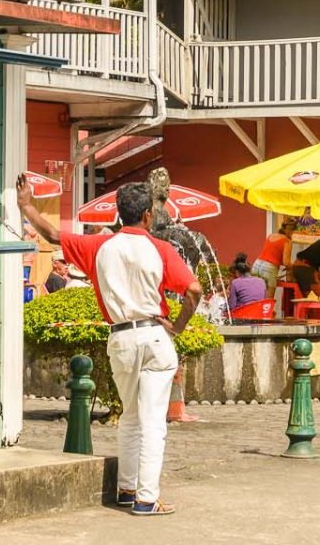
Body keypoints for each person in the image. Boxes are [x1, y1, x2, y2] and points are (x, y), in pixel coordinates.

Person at [18, 177, 201, 516]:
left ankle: (127, 490)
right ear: (147, 216)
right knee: (153, 422)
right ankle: (147, 498)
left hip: (120, 337)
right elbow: (194, 290)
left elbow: (55, 236)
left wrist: (28, 206)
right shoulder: (161, 249)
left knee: (130, 417)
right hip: (153, 334)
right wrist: (178, 325)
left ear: (118, 214)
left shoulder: (99, 246)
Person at [256, 218, 296, 293]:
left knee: (257, 297)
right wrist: (293, 267)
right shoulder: (287, 241)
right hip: (269, 269)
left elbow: (272, 254)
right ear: (292, 231)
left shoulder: (271, 235)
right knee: (268, 301)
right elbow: (286, 262)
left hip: (257, 265)